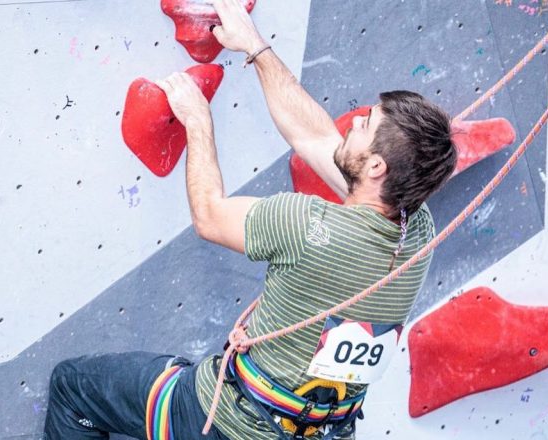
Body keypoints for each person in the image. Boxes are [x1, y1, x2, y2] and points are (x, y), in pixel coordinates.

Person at [43, 0, 457, 439]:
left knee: (73, 388)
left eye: (365, 125)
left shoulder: (305, 226)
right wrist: (254, 46)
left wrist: (198, 120)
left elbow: (209, 216)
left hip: (227, 424)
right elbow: (314, 136)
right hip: (319, 431)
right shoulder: (417, 231)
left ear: (376, 168)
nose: (353, 123)